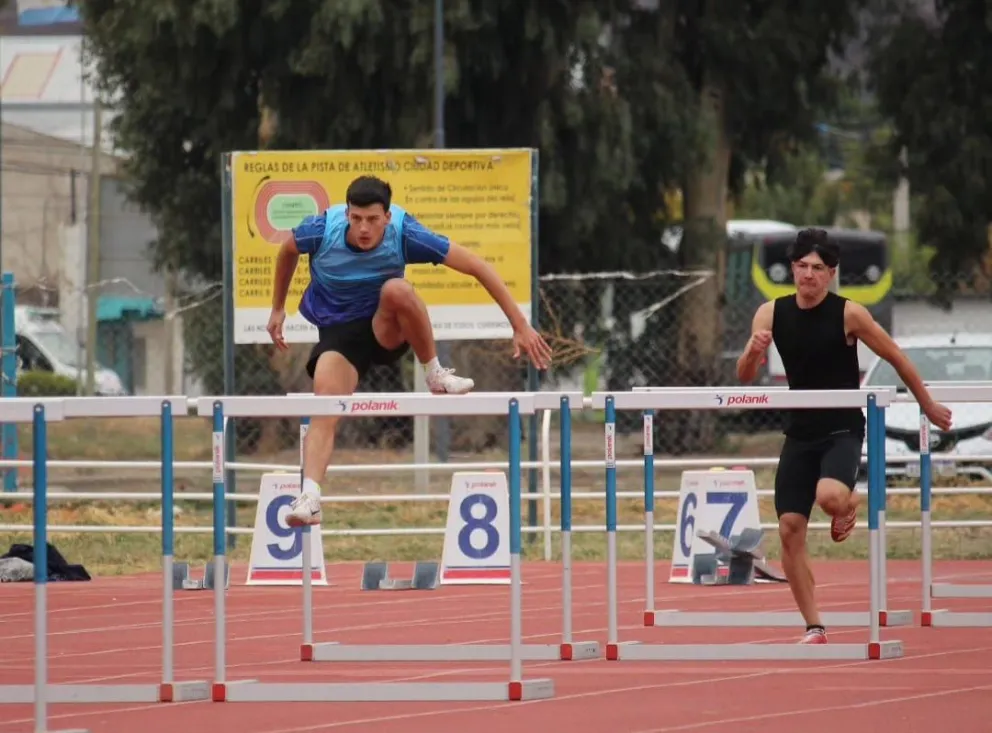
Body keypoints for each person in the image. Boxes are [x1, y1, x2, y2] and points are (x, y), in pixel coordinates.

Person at [266, 175, 553, 528]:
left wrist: (520, 325)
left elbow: (476, 266)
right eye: (356, 219)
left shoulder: (407, 233)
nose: (363, 229)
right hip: (340, 335)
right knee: (325, 403)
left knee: (397, 290)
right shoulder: (321, 230)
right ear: (347, 213)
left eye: (372, 220)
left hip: (384, 326)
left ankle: (434, 371)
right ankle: (310, 496)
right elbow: (287, 251)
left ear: (387, 216)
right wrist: (278, 307)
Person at [735, 227, 952, 645]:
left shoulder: (850, 313)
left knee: (829, 497)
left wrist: (926, 403)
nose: (808, 275)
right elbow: (744, 377)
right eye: (801, 266)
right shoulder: (770, 314)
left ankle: (850, 502)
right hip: (800, 432)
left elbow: (895, 356)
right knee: (789, 528)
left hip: (842, 429)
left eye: (818, 268)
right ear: (793, 269)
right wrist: (752, 350)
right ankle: (814, 626)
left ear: (831, 273)